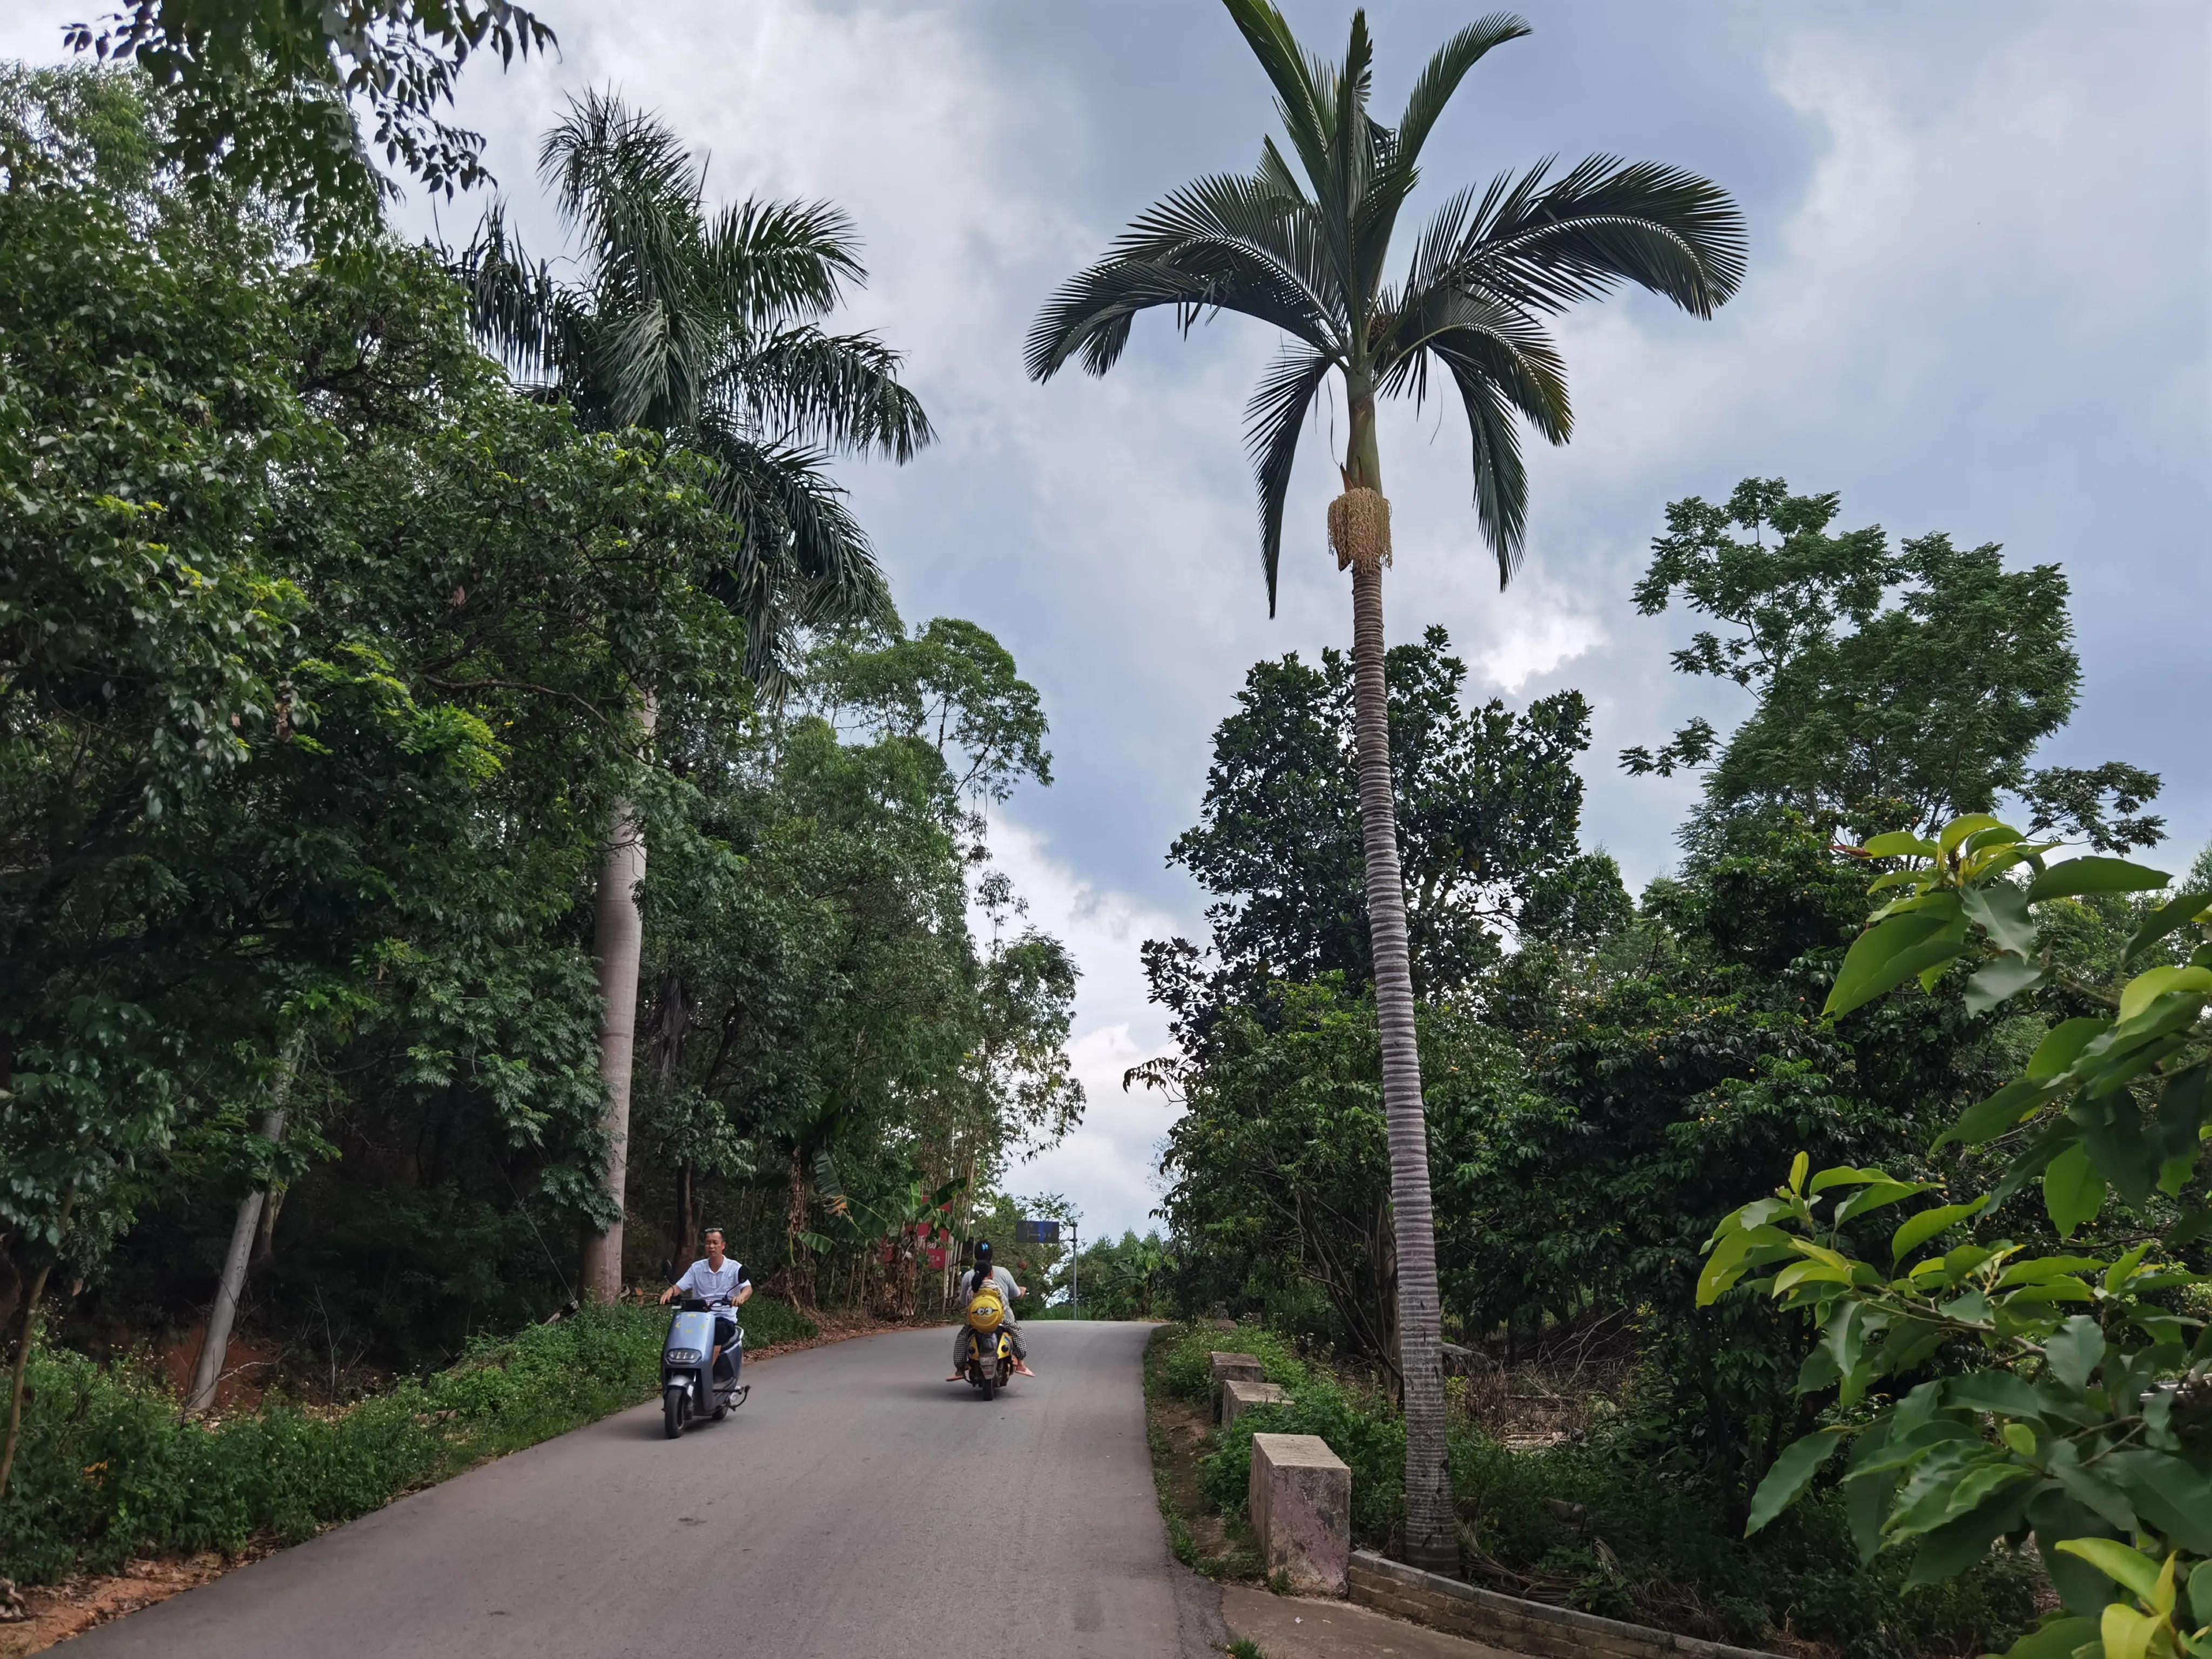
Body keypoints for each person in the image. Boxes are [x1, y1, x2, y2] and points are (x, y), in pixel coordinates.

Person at [660, 1228, 752, 1381]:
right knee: (677, 1331)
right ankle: (673, 1373)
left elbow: (748, 1289)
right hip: (698, 1317)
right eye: (708, 1243)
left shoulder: (734, 1268)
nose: (711, 1246)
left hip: (723, 1318)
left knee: (716, 1333)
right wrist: (669, 1292)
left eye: (715, 1243)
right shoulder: (697, 1268)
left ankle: (705, 1375)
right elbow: (679, 1286)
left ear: (723, 1246)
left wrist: (741, 1297)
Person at [947, 1239, 1035, 1380]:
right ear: (991, 1273)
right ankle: (1020, 1362)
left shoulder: (969, 1279)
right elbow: (1009, 1301)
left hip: (976, 1321)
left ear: (975, 1256)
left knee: (962, 1338)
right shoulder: (1002, 1275)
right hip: (1000, 1319)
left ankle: (959, 1368)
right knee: (1017, 1331)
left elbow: (965, 1302)